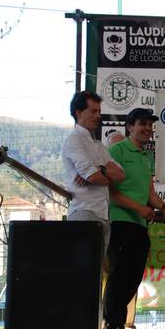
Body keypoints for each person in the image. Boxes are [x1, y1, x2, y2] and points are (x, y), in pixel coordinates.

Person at [105, 107, 165, 329]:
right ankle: (112, 328)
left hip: (139, 224)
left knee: (133, 278)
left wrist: (161, 205)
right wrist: (139, 208)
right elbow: (110, 192)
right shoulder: (117, 150)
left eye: (149, 125)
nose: (147, 128)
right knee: (120, 276)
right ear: (129, 127)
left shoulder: (146, 155)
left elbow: (149, 193)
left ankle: (120, 328)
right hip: (120, 221)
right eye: (142, 123)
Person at [61, 90, 125, 255]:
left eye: (99, 111)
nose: (98, 116)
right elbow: (94, 177)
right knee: (83, 268)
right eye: (93, 111)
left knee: (96, 269)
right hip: (84, 211)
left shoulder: (99, 145)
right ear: (78, 113)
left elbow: (120, 175)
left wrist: (100, 170)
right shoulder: (74, 140)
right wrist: (102, 173)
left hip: (103, 214)